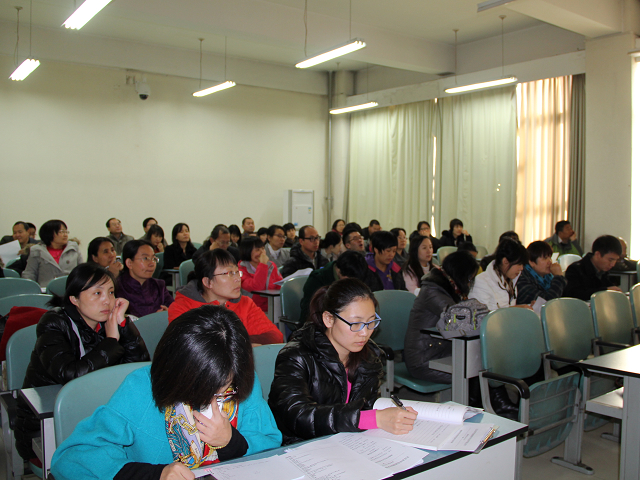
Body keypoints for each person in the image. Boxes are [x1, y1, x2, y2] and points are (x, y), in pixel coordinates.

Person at [50, 305, 282, 480]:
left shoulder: (239, 377)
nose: (215, 400)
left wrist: (231, 441)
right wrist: (156, 474)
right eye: (204, 389)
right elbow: (71, 459)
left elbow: (270, 444)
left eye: (224, 390)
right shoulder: (140, 389)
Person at [16, 263, 149, 465]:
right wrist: (110, 342)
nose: (107, 300)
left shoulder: (109, 323)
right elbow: (70, 375)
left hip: (96, 416)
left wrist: (123, 325)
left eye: (111, 292)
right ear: (74, 299)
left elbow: (139, 371)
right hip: (47, 424)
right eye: (97, 293)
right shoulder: (53, 324)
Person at [269, 278, 418, 445]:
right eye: (355, 323)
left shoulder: (369, 357)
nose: (364, 333)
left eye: (370, 322)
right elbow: (298, 416)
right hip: (299, 446)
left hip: (345, 443)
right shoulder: (295, 356)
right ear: (328, 319)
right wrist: (370, 418)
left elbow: (366, 407)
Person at [168, 249, 283, 345]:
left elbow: (275, 336)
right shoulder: (183, 307)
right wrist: (241, 344)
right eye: (229, 273)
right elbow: (185, 345)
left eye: (237, 272)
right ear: (208, 282)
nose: (238, 279)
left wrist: (236, 343)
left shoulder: (245, 303)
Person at [405, 251, 478, 383]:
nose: (469, 284)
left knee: (481, 366)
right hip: (423, 360)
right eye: (469, 279)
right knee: (473, 375)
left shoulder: (447, 288)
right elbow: (459, 321)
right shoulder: (433, 291)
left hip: (440, 351)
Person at [299, 251, 382, 324]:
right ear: (338, 270)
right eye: (348, 278)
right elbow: (309, 313)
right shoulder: (318, 280)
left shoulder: (362, 273)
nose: (351, 283)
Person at [115, 240, 174, 317]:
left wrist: (168, 313)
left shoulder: (159, 285)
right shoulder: (117, 288)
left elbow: (174, 309)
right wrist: (153, 319)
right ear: (129, 263)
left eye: (154, 258)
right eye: (145, 258)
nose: (152, 264)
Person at [469, 239, 529, 309]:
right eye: (519, 264)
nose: (521, 268)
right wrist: (517, 309)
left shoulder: (510, 281)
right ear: (505, 261)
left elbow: (505, 307)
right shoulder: (481, 282)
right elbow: (482, 313)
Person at [22, 220, 83, 287]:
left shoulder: (73, 248)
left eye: (66, 232)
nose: (65, 235)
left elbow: (82, 271)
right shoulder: (37, 251)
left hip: (70, 289)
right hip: (46, 289)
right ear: (49, 233)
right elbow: (29, 274)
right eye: (61, 232)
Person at [564, 235, 623, 301]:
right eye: (610, 260)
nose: (613, 264)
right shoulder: (575, 269)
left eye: (616, 260)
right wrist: (605, 291)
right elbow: (574, 295)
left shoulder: (604, 271)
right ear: (597, 255)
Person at [237, 237, 283, 312]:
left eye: (263, 249)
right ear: (247, 251)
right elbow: (257, 287)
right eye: (257, 250)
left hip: (272, 308)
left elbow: (280, 286)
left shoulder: (271, 266)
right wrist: (263, 265)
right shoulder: (240, 270)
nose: (262, 253)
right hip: (251, 310)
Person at [516, 241, 567, 305]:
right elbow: (547, 303)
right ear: (531, 262)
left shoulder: (549, 277)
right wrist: (558, 277)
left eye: (550, 258)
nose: (549, 262)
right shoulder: (522, 279)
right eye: (545, 258)